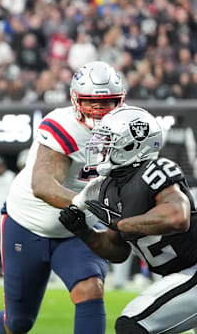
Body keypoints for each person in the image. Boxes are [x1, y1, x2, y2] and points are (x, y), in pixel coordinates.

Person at [0, 61, 126, 334]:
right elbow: (43, 185)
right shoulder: (62, 125)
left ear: (120, 101)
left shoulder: (127, 129)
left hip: (77, 232)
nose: (98, 111)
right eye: (90, 103)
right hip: (26, 226)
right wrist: (95, 207)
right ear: (75, 100)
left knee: (91, 288)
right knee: (18, 323)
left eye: (107, 102)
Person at [59, 106, 197, 334]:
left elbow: (177, 216)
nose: (101, 147)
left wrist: (122, 223)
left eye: (109, 140)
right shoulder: (108, 187)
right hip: (180, 275)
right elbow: (118, 251)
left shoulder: (155, 170)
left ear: (132, 144)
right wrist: (84, 232)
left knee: (132, 324)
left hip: (192, 269)